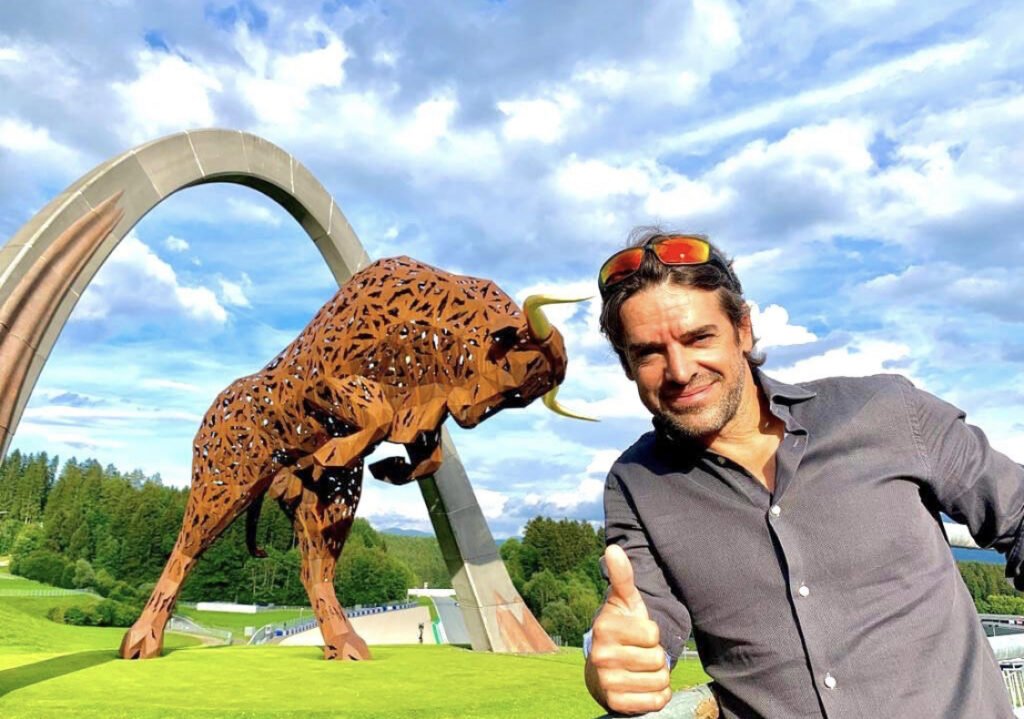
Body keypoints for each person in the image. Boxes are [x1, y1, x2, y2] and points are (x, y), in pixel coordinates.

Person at [584, 228, 1022, 718]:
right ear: (627, 365)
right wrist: (610, 667)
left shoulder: (888, 412)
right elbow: (641, 626)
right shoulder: (635, 484)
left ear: (743, 330)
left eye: (699, 337)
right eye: (648, 352)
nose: (681, 370)